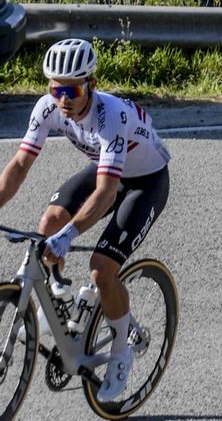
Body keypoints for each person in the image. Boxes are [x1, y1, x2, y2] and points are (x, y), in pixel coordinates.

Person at [0, 39, 172, 401]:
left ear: (91, 85)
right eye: (56, 88)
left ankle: (122, 352)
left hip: (145, 182)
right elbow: (18, 166)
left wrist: (71, 233)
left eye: (72, 89)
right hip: (105, 171)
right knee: (48, 224)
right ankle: (58, 304)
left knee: (101, 269)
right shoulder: (48, 108)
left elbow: (108, 192)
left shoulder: (112, 116)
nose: (63, 98)